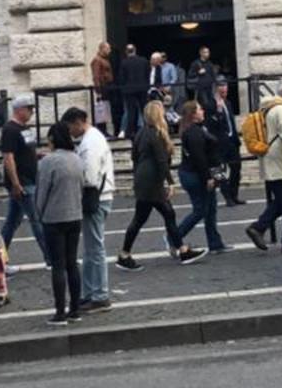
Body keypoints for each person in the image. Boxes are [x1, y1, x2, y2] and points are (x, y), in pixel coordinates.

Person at [119, 99, 203, 268]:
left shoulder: (141, 133)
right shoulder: (156, 134)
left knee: (154, 216)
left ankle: (181, 249)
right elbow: (161, 160)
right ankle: (181, 250)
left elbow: (134, 157)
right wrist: (171, 183)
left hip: (144, 179)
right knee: (160, 215)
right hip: (152, 181)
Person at [63, 105, 115, 310]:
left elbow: (90, 176)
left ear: (78, 122)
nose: (70, 132)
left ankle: (100, 294)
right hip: (101, 196)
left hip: (96, 198)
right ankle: (90, 292)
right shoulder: (92, 138)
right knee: (91, 247)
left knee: (95, 248)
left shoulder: (90, 143)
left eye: (70, 127)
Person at [35, 122, 85, 324]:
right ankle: (75, 309)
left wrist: (39, 213)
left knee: (58, 265)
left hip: (54, 217)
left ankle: (59, 312)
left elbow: (42, 192)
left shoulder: (48, 162)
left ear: (53, 139)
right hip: (75, 214)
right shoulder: (77, 159)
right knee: (72, 263)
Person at [246, 80, 282, 253]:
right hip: (281, 162)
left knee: (281, 201)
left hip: (270, 160)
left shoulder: (268, 108)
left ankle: (258, 228)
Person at [0, 96, 51, 259]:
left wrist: (37, 156)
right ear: (19, 110)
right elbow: (8, 157)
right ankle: (51, 258)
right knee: (37, 220)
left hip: (29, 178)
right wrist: (15, 183)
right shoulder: (9, 130)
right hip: (23, 182)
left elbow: (26, 150)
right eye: (29, 109)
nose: (32, 112)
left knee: (12, 222)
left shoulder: (24, 129)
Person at [173, 99, 226, 254]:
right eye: (200, 109)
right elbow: (199, 158)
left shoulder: (199, 128)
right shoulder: (194, 132)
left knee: (210, 209)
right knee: (201, 210)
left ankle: (215, 243)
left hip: (200, 173)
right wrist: (208, 178)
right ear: (193, 114)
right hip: (195, 175)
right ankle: (174, 237)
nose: (203, 111)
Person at [208, 77, 245, 204]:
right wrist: (218, 110)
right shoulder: (210, 104)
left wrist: (236, 139)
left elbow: (231, 123)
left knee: (236, 168)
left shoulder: (228, 103)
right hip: (219, 143)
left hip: (231, 142)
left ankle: (234, 194)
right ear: (216, 89)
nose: (224, 89)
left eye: (226, 87)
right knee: (220, 172)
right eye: (221, 87)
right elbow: (211, 125)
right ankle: (227, 197)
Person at [119, 42, 150, 138]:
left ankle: (130, 132)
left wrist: (123, 88)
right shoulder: (143, 61)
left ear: (126, 52)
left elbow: (121, 77)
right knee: (144, 110)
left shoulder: (124, 63)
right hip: (142, 88)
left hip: (129, 90)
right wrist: (147, 85)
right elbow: (147, 73)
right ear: (135, 50)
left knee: (131, 111)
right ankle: (148, 129)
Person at [90, 43, 115, 132]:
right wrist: (98, 91)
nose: (110, 51)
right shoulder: (97, 60)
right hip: (102, 87)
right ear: (102, 49)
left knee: (105, 109)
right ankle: (102, 131)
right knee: (101, 110)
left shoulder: (104, 59)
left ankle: (105, 131)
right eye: (108, 48)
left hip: (107, 87)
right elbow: (96, 76)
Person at [190, 45, 220, 109]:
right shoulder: (196, 63)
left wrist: (216, 86)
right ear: (201, 53)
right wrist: (198, 72)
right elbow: (190, 75)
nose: (208, 54)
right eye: (206, 52)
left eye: (208, 52)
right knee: (205, 104)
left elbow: (214, 76)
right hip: (201, 88)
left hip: (210, 88)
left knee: (211, 103)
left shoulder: (210, 63)